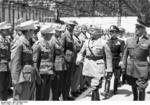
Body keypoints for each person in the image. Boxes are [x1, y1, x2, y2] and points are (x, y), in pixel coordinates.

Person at [76, 27, 112, 100]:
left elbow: (108, 57)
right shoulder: (86, 42)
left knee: (94, 86)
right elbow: (81, 52)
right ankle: (96, 98)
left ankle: (94, 100)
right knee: (91, 86)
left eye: (93, 32)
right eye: (90, 32)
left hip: (98, 66)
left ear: (98, 33)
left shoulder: (104, 42)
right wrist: (79, 58)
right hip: (88, 66)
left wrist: (109, 69)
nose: (91, 34)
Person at [121, 19, 150, 101]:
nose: (136, 29)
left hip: (142, 69)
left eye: (139, 27)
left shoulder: (148, 41)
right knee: (133, 87)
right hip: (131, 69)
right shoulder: (129, 40)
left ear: (144, 29)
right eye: (136, 27)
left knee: (141, 88)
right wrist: (123, 67)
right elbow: (125, 55)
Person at [11, 20, 37, 100]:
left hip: (29, 77)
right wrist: (15, 82)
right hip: (22, 79)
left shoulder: (27, 42)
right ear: (28, 31)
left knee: (28, 99)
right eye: (32, 30)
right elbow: (15, 63)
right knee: (22, 100)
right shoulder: (19, 43)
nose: (34, 32)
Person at [32, 26, 54, 100]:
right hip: (41, 75)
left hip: (48, 73)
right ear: (45, 34)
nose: (52, 36)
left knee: (46, 95)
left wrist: (52, 71)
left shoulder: (49, 44)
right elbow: (34, 62)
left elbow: (50, 60)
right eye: (50, 34)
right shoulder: (37, 45)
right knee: (39, 95)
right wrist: (37, 76)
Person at [61, 21, 77, 100]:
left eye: (73, 26)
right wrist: (64, 61)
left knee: (69, 79)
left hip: (71, 61)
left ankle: (66, 95)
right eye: (71, 26)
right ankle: (64, 96)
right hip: (66, 61)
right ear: (67, 26)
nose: (73, 27)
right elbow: (62, 49)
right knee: (65, 80)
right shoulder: (64, 35)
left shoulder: (70, 35)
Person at [107, 25, 125, 95]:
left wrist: (121, 60)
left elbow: (122, 52)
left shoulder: (121, 41)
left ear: (117, 33)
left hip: (117, 60)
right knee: (108, 76)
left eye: (114, 32)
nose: (112, 33)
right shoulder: (107, 41)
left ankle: (115, 89)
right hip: (109, 61)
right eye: (111, 32)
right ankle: (107, 90)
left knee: (117, 77)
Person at [50, 25, 66, 100]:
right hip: (56, 64)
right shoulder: (52, 40)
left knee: (59, 83)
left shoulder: (58, 39)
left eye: (61, 32)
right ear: (55, 31)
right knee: (55, 83)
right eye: (59, 31)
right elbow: (52, 54)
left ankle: (56, 97)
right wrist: (52, 66)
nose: (60, 33)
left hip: (60, 64)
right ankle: (54, 98)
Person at [0, 22, 12, 100]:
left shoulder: (7, 39)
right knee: (1, 86)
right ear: (1, 30)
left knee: (6, 85)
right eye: (6, 30)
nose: (8, 31)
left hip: (7, 65)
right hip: (1, 66)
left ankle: (4, 100)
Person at [71, 26, 83, 97]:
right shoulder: (73, 38)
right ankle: (73, 90)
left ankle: (75, 89)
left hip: (79, 57)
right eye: (76, 30)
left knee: (78, 75)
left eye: (79, 30)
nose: (78, 31)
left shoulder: (78, 38)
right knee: (75, 75)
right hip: (75, 57)